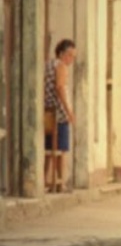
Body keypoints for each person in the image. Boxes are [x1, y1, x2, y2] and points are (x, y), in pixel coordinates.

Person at [44, 38, 76, 193]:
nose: (71, 59)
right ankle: (60, 183)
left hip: (47, 111)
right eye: (70, 55)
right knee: (61, 149)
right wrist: (69, 111)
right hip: (59, 112)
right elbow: (60, 88)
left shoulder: (48, 64)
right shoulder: (61, 66)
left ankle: (46, 181)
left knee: (49, 149)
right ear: (62, 54)